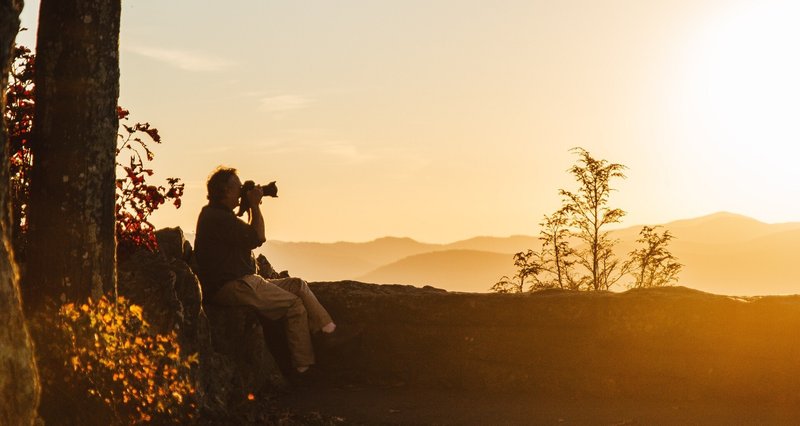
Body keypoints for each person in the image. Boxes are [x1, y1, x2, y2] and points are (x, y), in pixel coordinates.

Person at [194, 166, 338, 375]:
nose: (242, 190)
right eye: (238, 186)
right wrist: (254, 205)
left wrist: (249, 206)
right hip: (232, 285)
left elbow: (248, 236)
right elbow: (257, 237)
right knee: (293, 305)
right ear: (225, 190)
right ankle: (303, 368)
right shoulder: (217, 218)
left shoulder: (218, 216)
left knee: (297, 285)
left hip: (242, 281)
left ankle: (328, 330)